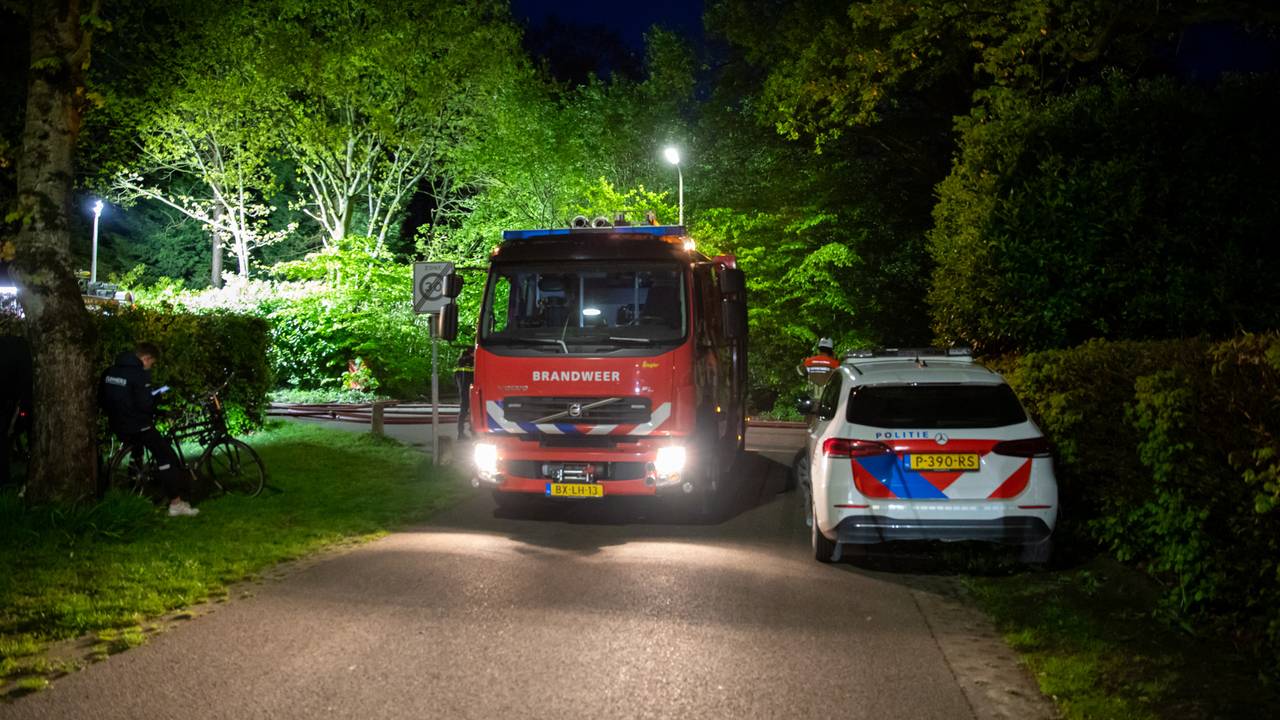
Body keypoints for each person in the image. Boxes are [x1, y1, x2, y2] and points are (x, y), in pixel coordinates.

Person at [100, 342, 198, 516]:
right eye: (151, 363)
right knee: (167, 457)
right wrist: (157, 404)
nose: (150, 367)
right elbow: (145, 404)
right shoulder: (139, 374)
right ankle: (176, 504)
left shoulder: (111, 371)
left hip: (117, 425)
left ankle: (134, 483)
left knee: (138, 449)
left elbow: (103, 398)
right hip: (138, 425)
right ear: (146, 358)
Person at [454, 346, 475, 440]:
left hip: (462, 390)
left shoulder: (459, 363)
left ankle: (460, 433)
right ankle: (473, 432)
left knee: (463, 410)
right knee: (472, 410)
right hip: (470, 391)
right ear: (471, 353)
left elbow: (454, 379)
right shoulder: (471, 361)